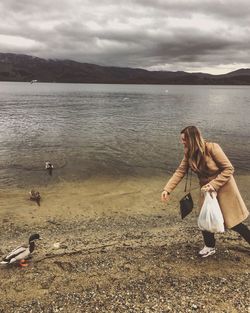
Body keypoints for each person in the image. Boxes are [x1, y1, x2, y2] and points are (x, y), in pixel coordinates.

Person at [161, 126, 250, 257]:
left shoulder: (213, 148)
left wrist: (213, 184)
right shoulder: (188, 153)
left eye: (184, 139)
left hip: (224, 188)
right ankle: (210, 246)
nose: (182, 142)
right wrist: (167, 189)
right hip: (206, 190)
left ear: (192, 139)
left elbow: (229, 169)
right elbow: (180, 171)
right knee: (205, 218)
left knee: (234, 222)